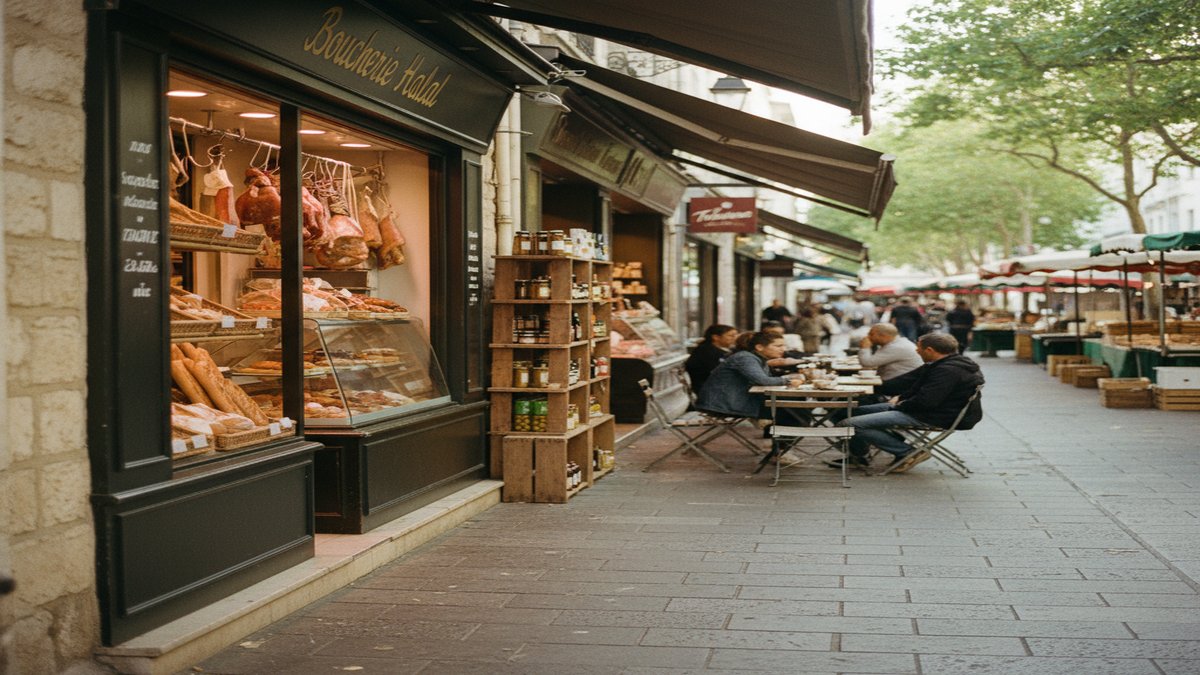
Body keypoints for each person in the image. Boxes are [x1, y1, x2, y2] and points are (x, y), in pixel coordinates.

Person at [832, 333, 984, 472]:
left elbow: (926, 402)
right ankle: (859, 455)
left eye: (919, 349)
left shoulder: (947, 371)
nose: (917, 352)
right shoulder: (945, 364)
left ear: (930, 350)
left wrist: (900, 405)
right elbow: (914, 385)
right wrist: (900, 397)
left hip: (935, 415)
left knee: (850, 423)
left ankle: (907, 452)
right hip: (931, 409)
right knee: (854, 410)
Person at [695, 331, 807, 427]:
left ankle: (781, 442)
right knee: (791, 406)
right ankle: (782, 443)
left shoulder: (757, 358)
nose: (783, 349)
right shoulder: (745, 358)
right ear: (759, 347)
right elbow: (764, 381)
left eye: (783, 346)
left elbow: (766, 380)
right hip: (721, 404)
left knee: (791, 403)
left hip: (731, 399)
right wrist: (788, 380)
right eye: (778, 346)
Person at [856, 323, 924, 381]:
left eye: (871, 334)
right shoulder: (897, 343)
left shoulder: (896, 347)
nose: (868, 337)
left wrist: (865, 347)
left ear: (884, 336)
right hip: (900, 381)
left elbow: (867, 363)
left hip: (900, 384)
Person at [685, 324, 739, 395]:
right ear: (716, 337)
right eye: (731, 336)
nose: (735, 338)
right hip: (711, 391)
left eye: (736, 335)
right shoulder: (706, 351)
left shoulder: (724, 350)